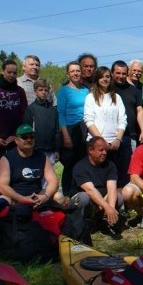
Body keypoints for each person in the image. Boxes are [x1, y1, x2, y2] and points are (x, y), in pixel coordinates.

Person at [83, 66, 130, 188]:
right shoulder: (90, 97)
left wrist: (118, 139)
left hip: (115, 145)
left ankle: (118, 205)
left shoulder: (117, 97)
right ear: (97, 78)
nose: (105, 79)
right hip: (97, 145)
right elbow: (89, 120)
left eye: (107, 76)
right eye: (102, 76)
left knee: (118, 179)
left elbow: (122, 119)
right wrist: (101, 142)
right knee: (99, 181)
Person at [0, 124, 59, 208]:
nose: (29, 140)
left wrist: (45, 196)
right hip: (14, 198)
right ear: (16, 140)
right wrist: (22, 199)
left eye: (32, 137)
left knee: (59, 196)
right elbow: (1, 186)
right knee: (2, 200)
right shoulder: (7, 158)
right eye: (24, 137)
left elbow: (53, 181)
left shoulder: (42, 157)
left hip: (37, 196)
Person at [0, 59, 28, 186]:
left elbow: (23, 114)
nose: (12, 75)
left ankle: (14, 190)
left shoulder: (19, 91)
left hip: (15, 136)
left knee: (15, 162)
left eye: (14, 73)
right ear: (2, 71)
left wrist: (16, 135)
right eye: (9, 72)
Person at [70, 136, 124, 232]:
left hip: (103, 199)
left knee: (119, 197)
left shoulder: (110, 165)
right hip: (88, 199)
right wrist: (106, 207)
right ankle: (83, 222)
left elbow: (112, 187)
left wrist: (110, 208)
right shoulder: (80, 167)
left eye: (105, 150)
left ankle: (107, 220)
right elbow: (90, 190)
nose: (104, 153)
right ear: (90, 150)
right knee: (83, 198)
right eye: (101, 150)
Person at [57, 61, 90, 196]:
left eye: (77, 70)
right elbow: (61, 113)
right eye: (73, 71)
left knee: (83, 163)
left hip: (84, 129)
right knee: (70, 164)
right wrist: (66, 135)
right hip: (70, 130)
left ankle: (80, 192)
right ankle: (67, 194)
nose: (76, 73)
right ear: (68, 74)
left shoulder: (85, 90)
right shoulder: (64, 91)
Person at [23, 78, 60, 165]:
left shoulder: (53, 110)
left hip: (50, 150)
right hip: (35, 149)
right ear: (35, 91)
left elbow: (57, 131)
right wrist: (28, 147)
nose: (43, 92)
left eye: (46, 90)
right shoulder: (30, 109)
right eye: (40, 90)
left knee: (49, 177)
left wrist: (57, 150)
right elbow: (27, 131)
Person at [112, 60, 143, 151]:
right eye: (118, 73)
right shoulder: (108, 89)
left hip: (131, 135)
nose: (121, 76)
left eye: (123, 73)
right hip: (111, 134)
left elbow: (140, 110)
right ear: (112, 73)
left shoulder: (135, 90)